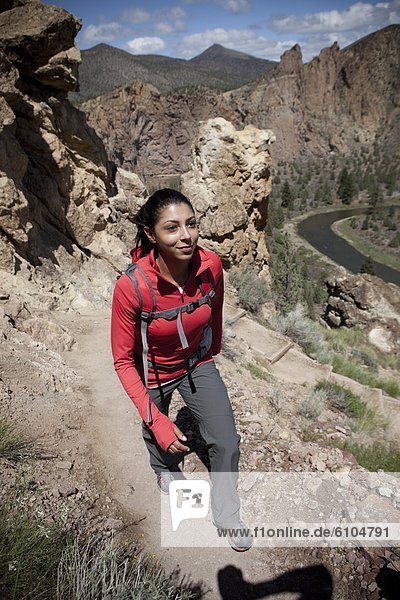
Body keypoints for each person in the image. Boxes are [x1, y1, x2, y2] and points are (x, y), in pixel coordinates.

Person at [111, 188, 252, 551]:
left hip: (196, 363)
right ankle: (164, 470)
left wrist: (214, 344)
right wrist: (158, 419)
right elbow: (124, 361)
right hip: (153, 370)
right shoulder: (133, 287)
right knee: (160, 432)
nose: (185, 235)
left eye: (191, 224)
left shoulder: (211, 266)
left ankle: (226, 513)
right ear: (150, 233)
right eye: (172, 228)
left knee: (225, 440)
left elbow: (215, 307)